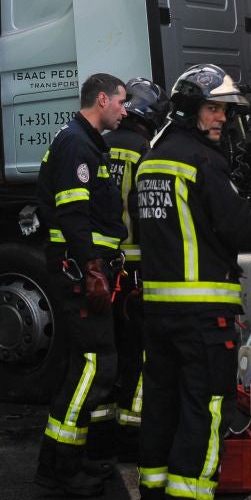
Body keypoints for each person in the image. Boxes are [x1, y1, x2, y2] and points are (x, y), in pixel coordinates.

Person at [135, 64, 251, 500]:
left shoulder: (152, 162)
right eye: (213, 109)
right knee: (204, 408)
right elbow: (235, 223)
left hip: (159, 312)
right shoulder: (203, 161)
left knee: (161, 406)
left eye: (224, 110)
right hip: (202, 314)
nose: (222, 118)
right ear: (188, 110)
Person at [34, 72, 129, 498]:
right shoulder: (77, 144)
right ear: (103, 99)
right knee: (94, 363)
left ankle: (67, 459)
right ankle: (62, 468)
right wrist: (91, 268)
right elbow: (73, 216)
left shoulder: (86, 143)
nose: (125, 111)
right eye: (122, 102)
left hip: (84, 270)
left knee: (85, 364)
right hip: (79, 273)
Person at [101, 77, 168, 463]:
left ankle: (103, 428)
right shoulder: (146, 152)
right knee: (139, 353)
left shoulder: (98, 145)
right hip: (137, 269)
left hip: (102, 267)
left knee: (105, 350)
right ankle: (133, 429)